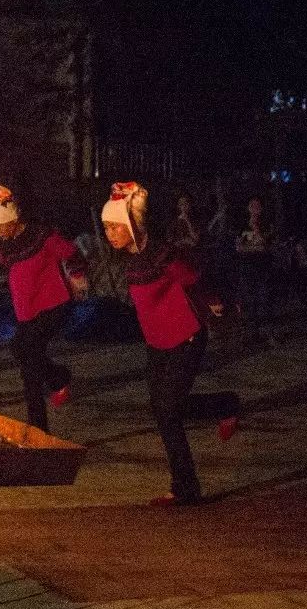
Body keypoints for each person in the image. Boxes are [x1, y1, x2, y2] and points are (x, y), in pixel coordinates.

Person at [101, 181, 240, 507]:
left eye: (115, 226)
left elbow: (197, 278)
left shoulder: (164, 255)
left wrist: (217, 303)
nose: (110, 233)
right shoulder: (127, 258)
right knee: (165, 411)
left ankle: (185, 488)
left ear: (133, 224)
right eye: (106, 227)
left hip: (187, 337)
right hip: (157, 343)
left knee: (167, 409)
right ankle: (225, 405)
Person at [0, 183, 87, 431]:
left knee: (28, 362)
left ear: (13, 219)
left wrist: (77, 278)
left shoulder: (42, 236)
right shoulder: (5, 244)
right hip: (26, 311)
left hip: (53, 305)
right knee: (21, 349)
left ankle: (38, 428)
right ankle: (59, 377)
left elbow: (72, 254)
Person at [235, 197, 274, 341]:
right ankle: (252, 332)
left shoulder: (267, 225)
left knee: (263, 298)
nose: (254, 209)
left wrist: (256, 228)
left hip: (263, 268)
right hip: (247, 267)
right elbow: (239, 247)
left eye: (257, 206)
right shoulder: (242, 226)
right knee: (249, 299)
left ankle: (266, 331)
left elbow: (264, 245)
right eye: (251, 206)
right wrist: (253, 248)